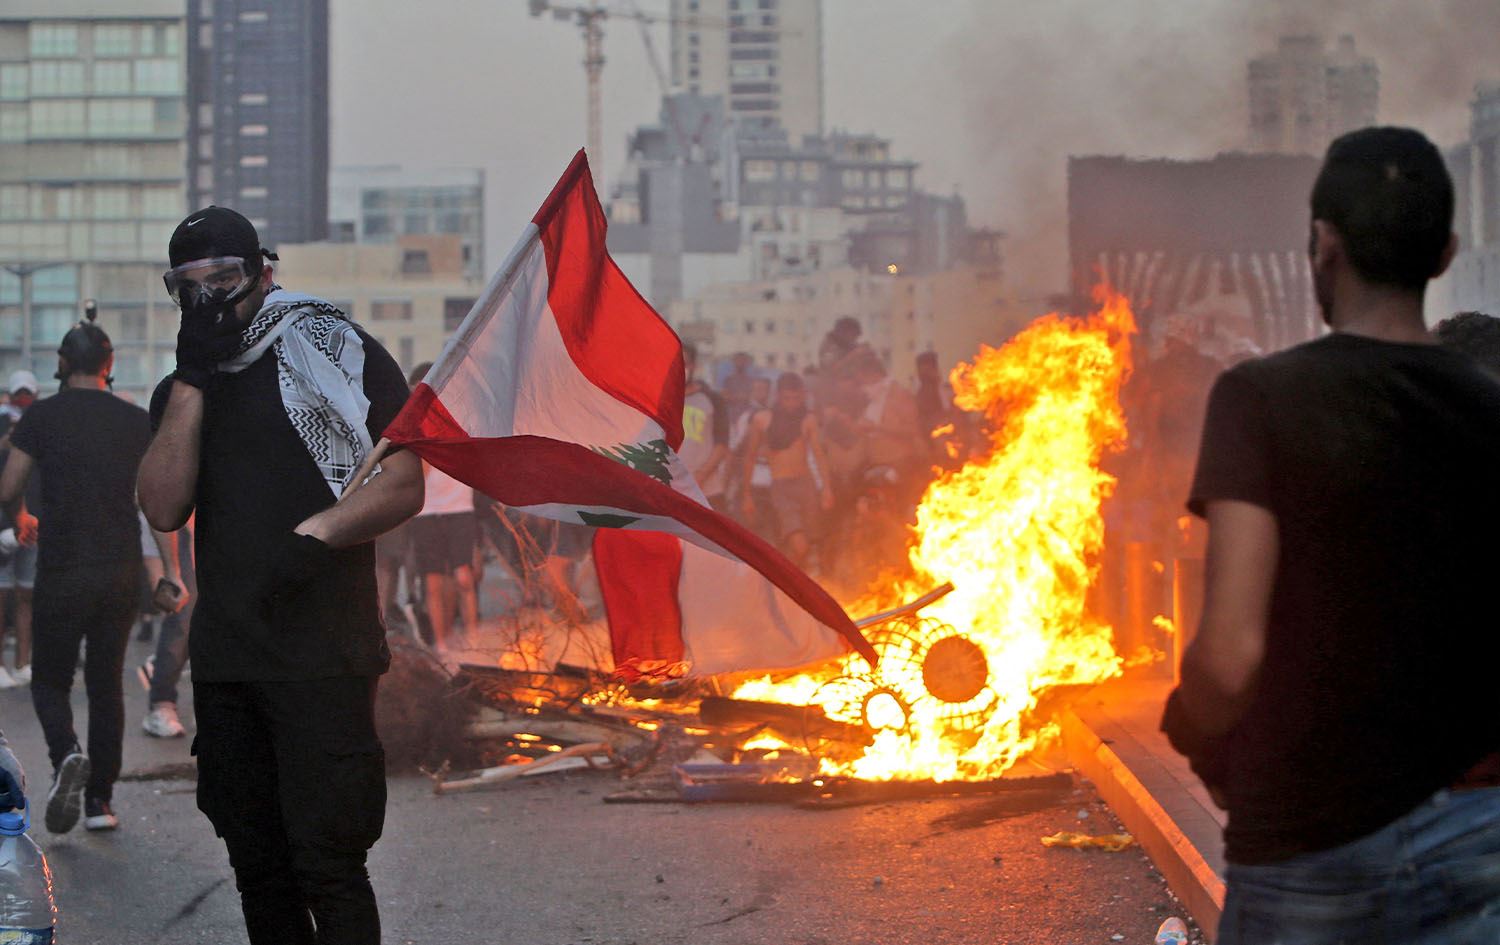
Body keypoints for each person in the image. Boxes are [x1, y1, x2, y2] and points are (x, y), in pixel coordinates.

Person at [1162, 127, 1500, 943]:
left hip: (1308, 837)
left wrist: (1195, 732)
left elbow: (1230, 655)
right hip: (1478, 836)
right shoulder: (1490, 410)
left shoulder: (1260, 399)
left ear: (1323, 244)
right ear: (1445, 252)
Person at [137, 207, 423, 944]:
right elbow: (163, 505)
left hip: (326, 652)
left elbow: (402, 483)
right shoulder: (182, 389)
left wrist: (319, 534)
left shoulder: (339, 351)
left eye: (222, 278)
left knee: (329, 863)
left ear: (262, 273)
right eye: (187, 286)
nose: (207, 298)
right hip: (230, 659)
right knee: (258, 868)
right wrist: (192, 377)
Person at [0, 314, 160, 834]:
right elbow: (153, 498)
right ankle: (100, 803)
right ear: (109, 365)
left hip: (63, 567)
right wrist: (168, 570)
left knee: (50, 679)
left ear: (62, 364)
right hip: (120, 569)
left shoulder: (41, 416)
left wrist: (21, 515)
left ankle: (66, 752)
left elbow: (9, 488)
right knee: (106, 684)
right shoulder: (134, 419)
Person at [406, 362, 479, 651]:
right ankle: (441, 644)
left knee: (464, 577)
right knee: (433, 581)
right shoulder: (415, 423)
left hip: (459, 507)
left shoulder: (459, 416)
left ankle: (474, 638)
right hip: (427, 511)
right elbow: (419, 473)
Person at [739, 372, 834, 568]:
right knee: (800, 545)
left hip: (806, 485)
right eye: (786, 398)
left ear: (803, 396)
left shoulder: (808, 419)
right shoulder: (762, 419)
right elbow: (750, 457)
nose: (791, 403)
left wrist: (826, 489)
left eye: (796, 398)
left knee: (812, 544)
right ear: (778, 396)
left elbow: (819, 455)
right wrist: (746, 495)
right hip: (781, 488)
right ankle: (788, 580)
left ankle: (795, 579)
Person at [0, 370, 40, 689]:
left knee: (26, 594)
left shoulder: (41, 422)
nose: (22, 399)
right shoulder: (4, 420)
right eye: (19, 393)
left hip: (31, 522)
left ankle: (23, 662)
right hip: (4, 523)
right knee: (2, 595)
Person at [139, 516, 193, 738]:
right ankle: (162, 704)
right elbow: (156, 517)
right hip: (180, 543)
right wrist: (168, 574)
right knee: (180, 625)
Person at [679, 344, 730, 513]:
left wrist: (698, 478)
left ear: (693, 366)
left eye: (684, 363)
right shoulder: (662, 400)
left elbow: (721, 445)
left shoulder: (713, 399)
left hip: (707, 492)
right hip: (670, 491)